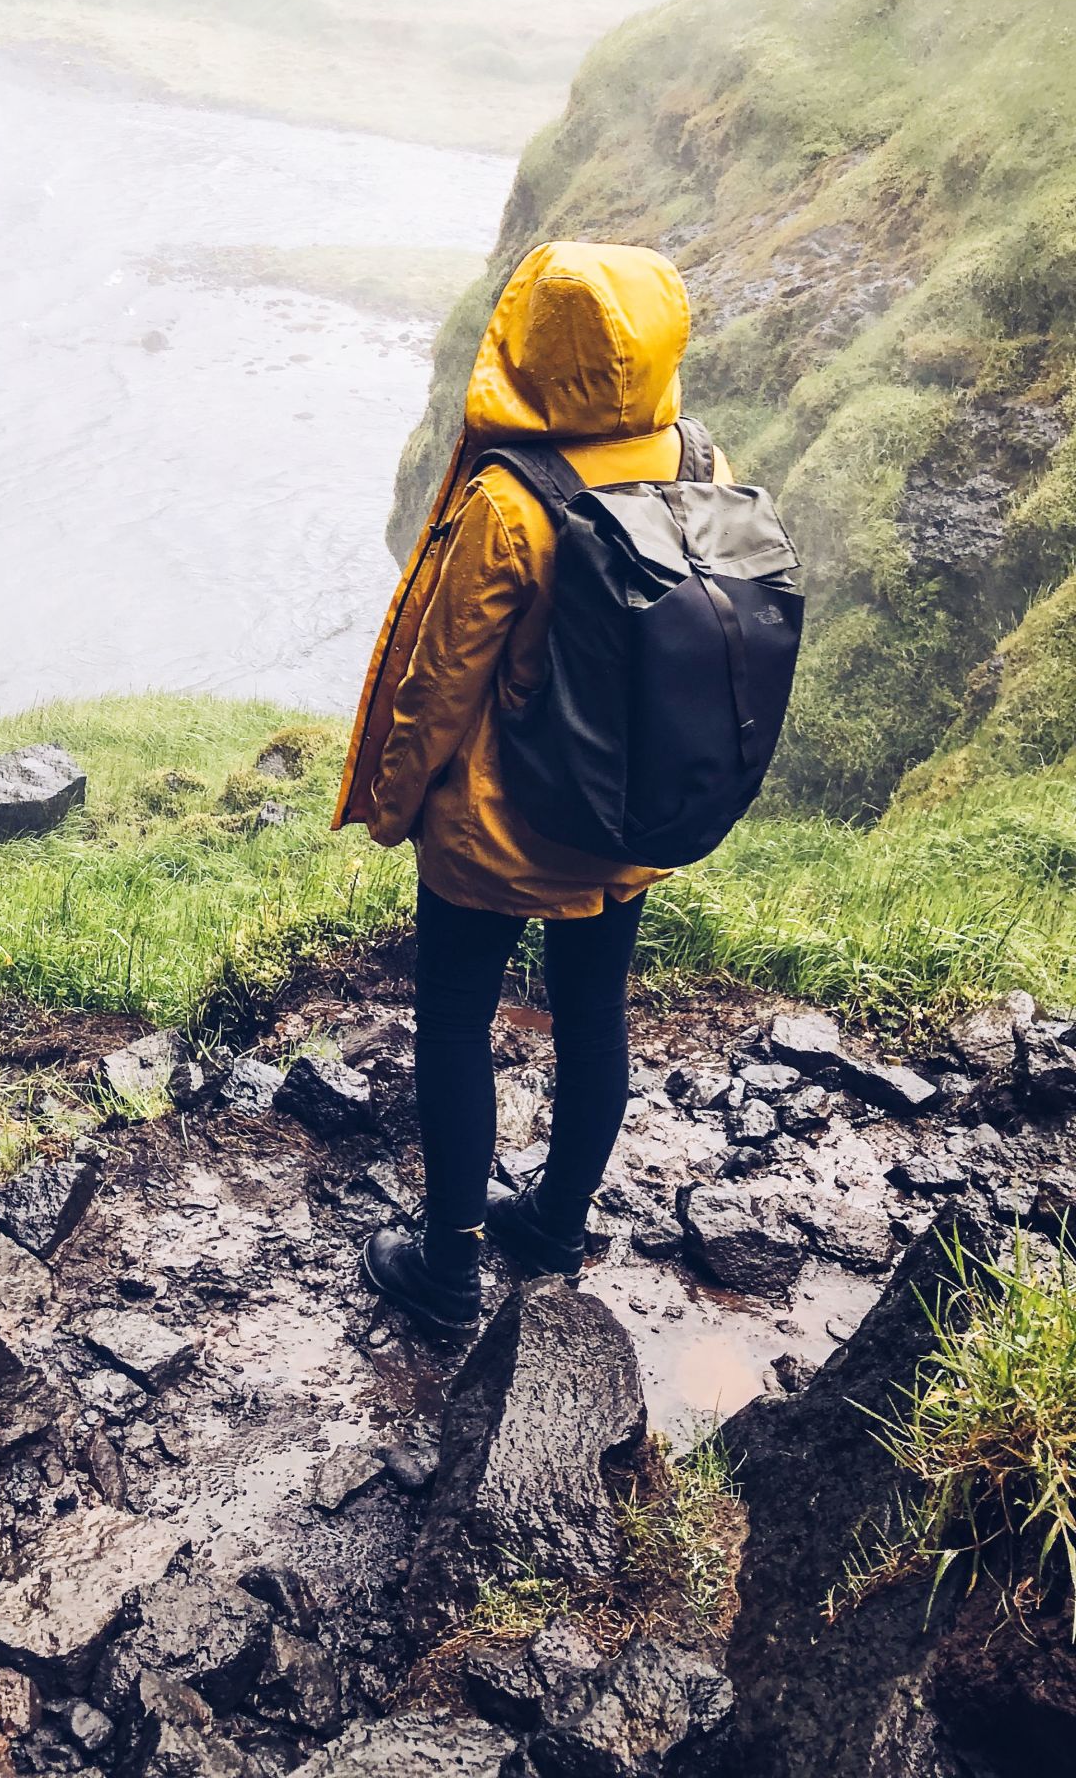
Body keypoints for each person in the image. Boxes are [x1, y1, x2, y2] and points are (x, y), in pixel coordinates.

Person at [335, 241, 729, 1341]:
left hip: (499, 827)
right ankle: (555, 1226)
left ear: (534, 344)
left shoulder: (511, 498)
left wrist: (395, 804)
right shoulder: (696, 456)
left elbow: (439, 683)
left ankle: (448, 1264)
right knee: (593, 1010)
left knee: (456, 1019)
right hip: (629, 810)